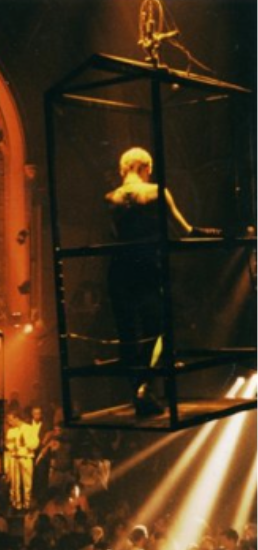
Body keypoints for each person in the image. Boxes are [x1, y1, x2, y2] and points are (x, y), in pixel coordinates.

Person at [104, 147, 218, 417]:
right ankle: (146, 385)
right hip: (147, 268)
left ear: (123, 169)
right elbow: (185, 231)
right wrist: (217, 234)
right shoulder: (157, 193)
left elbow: (116, 235)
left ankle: (138, 390)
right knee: (158, 328)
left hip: (119, 270)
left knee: (127, 333)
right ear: (146, 168)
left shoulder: (110, 199)